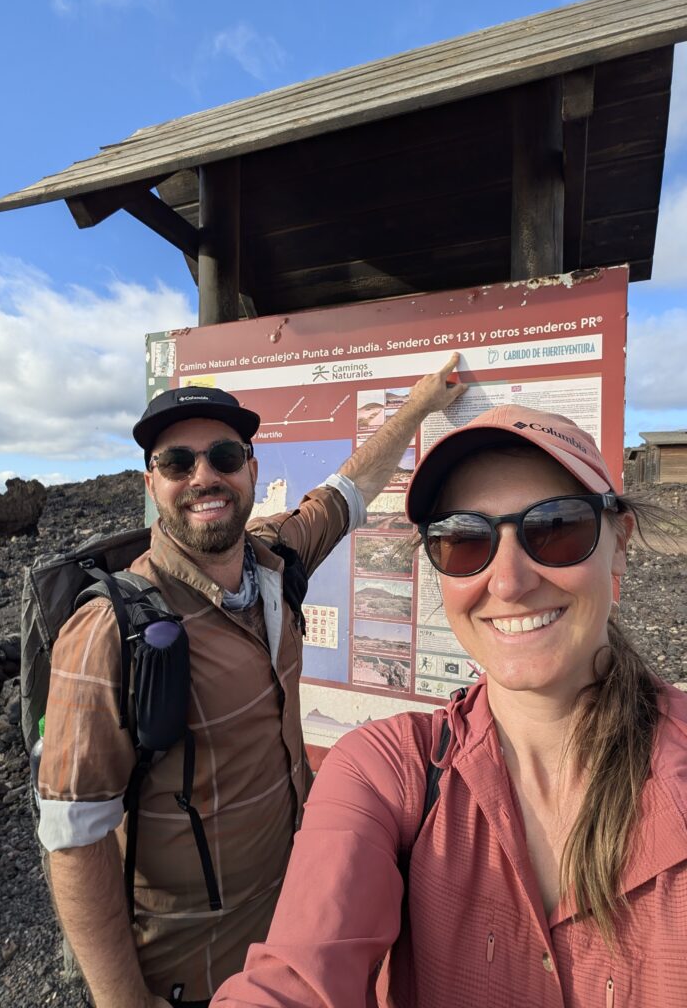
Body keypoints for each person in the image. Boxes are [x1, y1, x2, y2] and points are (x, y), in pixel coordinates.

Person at [213, 404, 687, 1008]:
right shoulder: (386, 772)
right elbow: (295, 981)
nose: (509, 582)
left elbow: (334, 502)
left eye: (556, 528)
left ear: (618, 546)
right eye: (465, 540)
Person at [36, 357, 467, 1008]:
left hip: (290, 931)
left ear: (251, 470)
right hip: (191, 974)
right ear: (151, 483)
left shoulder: (275, 559)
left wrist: (422, 403)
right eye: (178, 463)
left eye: (225, 455)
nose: (204, 476)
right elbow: (74, 840)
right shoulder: (106, 631)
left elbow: (349, 489)